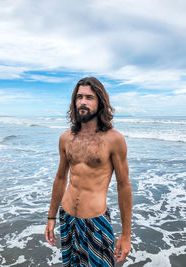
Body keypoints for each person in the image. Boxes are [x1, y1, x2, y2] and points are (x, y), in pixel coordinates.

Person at [45, 77, 132, 266]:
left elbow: (123, 185)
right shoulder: (65, 138)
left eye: (89, 97)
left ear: (100, 102)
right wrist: (51, 217)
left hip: (96, 222)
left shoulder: (113, 140)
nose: (83, 102)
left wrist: (126, 235)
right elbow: (60, 178)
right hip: (67, 217)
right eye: (79, 97)